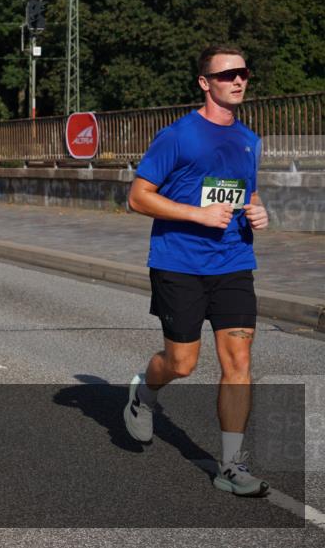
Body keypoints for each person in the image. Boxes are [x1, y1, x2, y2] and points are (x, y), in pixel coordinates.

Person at [123, 45, 269, 497]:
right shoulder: (179, 136)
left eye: (243, 73)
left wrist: (259, 211)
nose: (238, 81)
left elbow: (248, 194)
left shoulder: (250, 140)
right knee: (182, 364)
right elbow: (137, 197)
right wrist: (196, 214)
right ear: (205, 83)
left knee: (238, 362)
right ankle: (143, 394)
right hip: (179, 263)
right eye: (227, 76)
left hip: (233, 262)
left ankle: (230, 466)